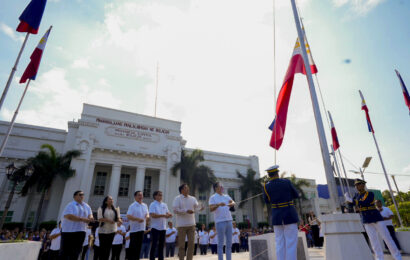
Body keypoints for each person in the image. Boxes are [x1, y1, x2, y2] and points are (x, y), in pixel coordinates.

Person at [345, 179, 401, 260]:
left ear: (363, 185)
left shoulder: (369, 193)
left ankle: (397, 257)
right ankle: (379, 258)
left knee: (387, 238)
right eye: (356, 185)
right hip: (366, 219)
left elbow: (364, 202)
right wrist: (348, 202)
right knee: (373, 241)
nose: (356, 186)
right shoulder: (356, 195)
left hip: (375, 217)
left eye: (358, 184)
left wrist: (351, 200)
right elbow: (352, 205)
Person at [263, 165, 299, 260]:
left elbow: (266, 201)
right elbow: (296, 195)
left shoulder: (266, 186)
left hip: (276, 216)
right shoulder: (286, 182)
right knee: (291, 242)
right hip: (289, 214)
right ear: (277, 173)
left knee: (279, 242)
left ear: (269, 175)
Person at [172, 183, 203, 260]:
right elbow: (175, 210)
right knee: (182, 245)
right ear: (182, 190)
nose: (188, 189)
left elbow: (196, 207)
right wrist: (186, 211)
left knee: (191, 244)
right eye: (186, 188)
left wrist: (200, 207)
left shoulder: (193, 198)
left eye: (188, 188)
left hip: (191, 224)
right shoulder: (177, 198)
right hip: (181, 225)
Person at [60, 190, 93, 260]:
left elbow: (90, 214)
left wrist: (90, 218)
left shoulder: (86, 206)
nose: (82, 196)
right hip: (69, 232)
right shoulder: (70, 205)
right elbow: (69, 216)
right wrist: (83, 219)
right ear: (75, 196)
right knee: (66, 252)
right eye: (80, 194)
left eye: (83, 195)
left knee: (76, 252)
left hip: (81, 231)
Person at [209, 182, 236, 260]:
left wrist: (231, 204)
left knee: (229, 243)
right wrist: (218, 205)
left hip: (229, 220)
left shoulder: (226, 196)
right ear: (216, 188)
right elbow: (211, 209)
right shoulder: (213, 197)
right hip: (220, 221)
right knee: (220, 243)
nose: (222, 188)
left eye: (222, 187)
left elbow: (233, 202)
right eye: (220, 187)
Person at [149, 190, 172, 260]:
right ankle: (152, 258)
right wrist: (163, 215)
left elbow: (168, 213)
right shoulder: (152, 204)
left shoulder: (164, 204)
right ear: (155, 196)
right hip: (155, 227)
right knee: (154, 244)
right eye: (159, 195)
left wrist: (169, 215)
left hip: (163, 227)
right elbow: (153, 215)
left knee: (162, 245)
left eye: (161, 195)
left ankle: (161, 258)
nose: (160, 196)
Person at [127, 191, 150, 260]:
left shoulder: (145, 205)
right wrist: (137, 219)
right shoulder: (132, 205)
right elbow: (128, 216)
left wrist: (147, 217)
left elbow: (147, 214)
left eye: (141, 195)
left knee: (139, 248)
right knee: (133, 248)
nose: (140, 197)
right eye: (139, 195)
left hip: (142, 229)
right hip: (134, 230)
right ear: (135, 197)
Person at [97, 196, 121, 260]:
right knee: (102, 248)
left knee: (108, 248)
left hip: (112, 230)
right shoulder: (101, 208)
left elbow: (118, 218)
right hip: (103, 231)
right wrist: (109, 220)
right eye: (110, 199)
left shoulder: (115, 209)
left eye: (112, 199)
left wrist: (119, 220)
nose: (112, 200)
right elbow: (100, 218)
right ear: (106, 201)